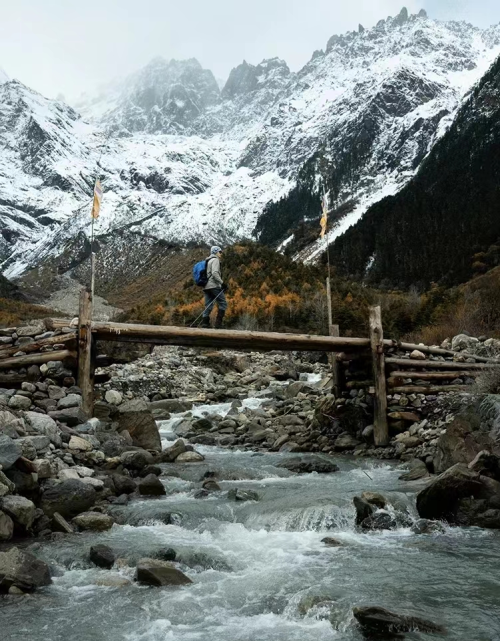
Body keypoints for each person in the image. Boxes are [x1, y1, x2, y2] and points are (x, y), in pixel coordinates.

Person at [202, 246, 228, 328]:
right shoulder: (215, 260)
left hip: (206, 286)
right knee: (223, 303)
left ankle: (205, 324)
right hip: (214, 285)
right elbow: (215, 273)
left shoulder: (208, 261)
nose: (221, 254)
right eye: (220, 252)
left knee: (208, 305)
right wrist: (222, 283)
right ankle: (218, 324)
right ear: (215, 252)